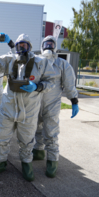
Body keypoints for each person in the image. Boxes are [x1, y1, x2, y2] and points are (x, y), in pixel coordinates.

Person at [0, 33, 56, 181]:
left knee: (26, 139)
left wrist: (37, 86)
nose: (21, 49)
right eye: (19, 46)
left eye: (24, 45)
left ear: (30, 47)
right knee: (2, 137)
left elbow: (51, 82)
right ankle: (0, 161)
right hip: (8, 107)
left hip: (29, 109)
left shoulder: (41, 62)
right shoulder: (10, 59)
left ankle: (26, 163)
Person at [32, 36, 79, 178]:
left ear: (55, 47)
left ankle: (52, 159)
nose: (48, 46)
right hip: (36, 102)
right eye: (46, 44)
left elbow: (70, 83)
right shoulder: (36, 61)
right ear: (41, 46)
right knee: (36, 128)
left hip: (52, 104)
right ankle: (38, 151)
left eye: (51, 44)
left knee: (51, 132)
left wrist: (74, 101)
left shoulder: (62, 64)